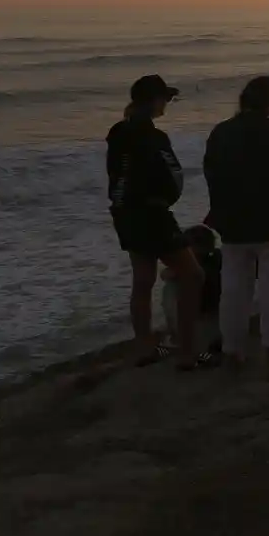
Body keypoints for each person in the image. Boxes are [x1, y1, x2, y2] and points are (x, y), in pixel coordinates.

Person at [203, 76, 269, 373]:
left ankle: (233, 352)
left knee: (234, 289)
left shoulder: (221, 133)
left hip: (233, 223)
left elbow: (211, 174)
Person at [107, 75, 213, 370]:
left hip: (124, 214)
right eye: (164, 98)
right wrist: (166, 201)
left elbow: (116, 176)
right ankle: (188, 351)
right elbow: (174, 177)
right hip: (152, 215)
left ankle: (145, 347)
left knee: (142, 280)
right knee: (193, 275)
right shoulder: (155, 138)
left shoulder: (117, 133)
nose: (166, 104)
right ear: (154, 101)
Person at [162, 224, 223, 352]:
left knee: (170, 287)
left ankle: (177, 336)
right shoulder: (219, 259)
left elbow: (165, 274)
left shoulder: (189, 271)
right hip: (220, 324)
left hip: (199, 328)